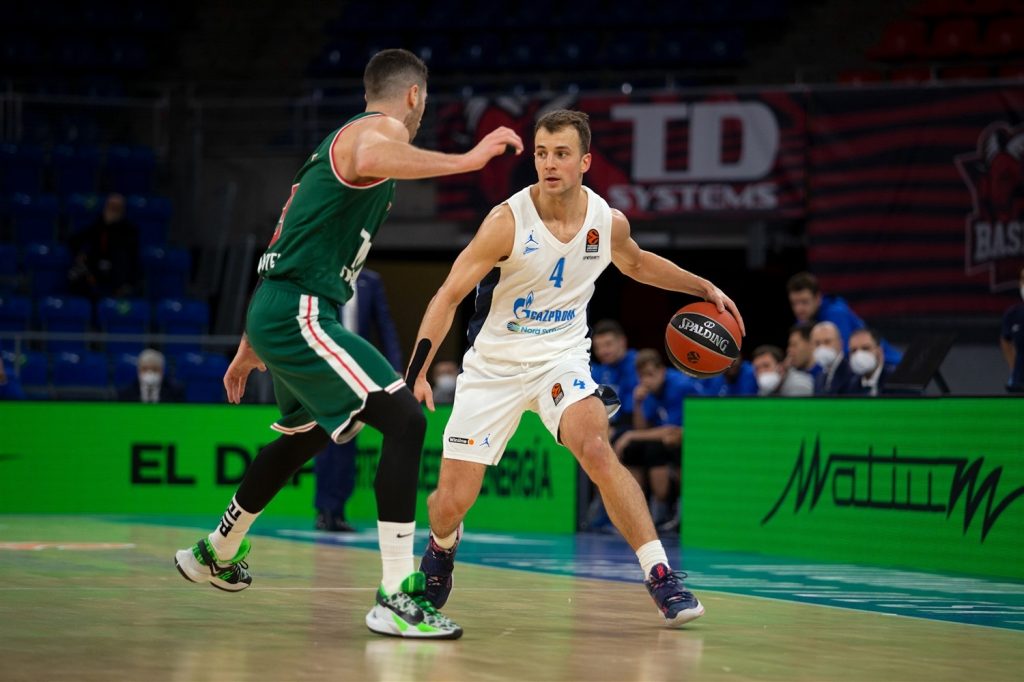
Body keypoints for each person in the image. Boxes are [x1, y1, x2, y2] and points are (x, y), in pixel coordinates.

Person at [173, 48, 524, 641]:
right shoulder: (374, 131)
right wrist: (468, 159)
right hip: (303, 310)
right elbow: (374, 152)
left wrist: (248, 342)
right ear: (413, 96)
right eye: (425, 100)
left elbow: (290, 239)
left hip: (280, 308)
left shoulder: (329, 150)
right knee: (406, 421)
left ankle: (216, 549)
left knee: (301, 439)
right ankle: (394, 595)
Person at [405, 109, 744, 627]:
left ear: (585, 160)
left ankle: (660, 575)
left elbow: (637, 262)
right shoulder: (506, 222)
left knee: (596, 448)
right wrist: (418, 371)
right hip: (493, 366)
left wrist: (703, 287)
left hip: (560, 359)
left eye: (561, 153)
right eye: (541, 153)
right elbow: (447, 294)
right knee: (451, 500)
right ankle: (443, 546)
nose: (548, 163)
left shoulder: (606, 222)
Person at [314, 268, 401, 533]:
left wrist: (395, 367)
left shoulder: (370, 281)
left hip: (357, 371)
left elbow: (384, 324)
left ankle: (338, 510)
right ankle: (324, 509)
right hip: (325, 369)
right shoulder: (323, 276)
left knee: (348, 440)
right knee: (323, 440)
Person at [615, 349, 704, 532]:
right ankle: (641, 512)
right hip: (666, 437)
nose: (646, 381)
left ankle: (671, 511)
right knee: (632, 449)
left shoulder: (679, 385)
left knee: (666, 443)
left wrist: (630, 435)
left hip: (698, 437)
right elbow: (642, 428)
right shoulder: (648, 392)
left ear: (662, 371)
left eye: (650, 375)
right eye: (642, 376)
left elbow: (672, 430)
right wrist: (638, 403)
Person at [787, 271, 901, 365]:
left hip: (889, 364)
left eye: (804, 302)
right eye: (794, 303)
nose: (799, 309)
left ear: (818, 298)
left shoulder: (836, 313)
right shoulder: (804, 318)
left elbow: (843, 354)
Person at [67, 193, 140, 299]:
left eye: (117, 207)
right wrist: (80, 254)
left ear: (123, 210)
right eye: (111, 206)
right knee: (75, 275)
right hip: (95, 269)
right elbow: (74, 240)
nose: (113, 210)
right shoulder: (98, 225)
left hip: (117, 272)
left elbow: (133, 259)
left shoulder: (129, 231)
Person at [117, 348, 185, 403]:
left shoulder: (175, 392)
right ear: (138, 371)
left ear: (162, 371)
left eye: (154, 369)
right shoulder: (126, 393)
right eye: (145, 369)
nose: (149, 373)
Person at [845, 328, 896, 396]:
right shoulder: (849, 386)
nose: (859, 355)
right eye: (854, 351)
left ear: (879, 351)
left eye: (865, 348)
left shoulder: (895, 381)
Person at [811, 321, 854, 395]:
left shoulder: (851, 373)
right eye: (817, 343)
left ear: (840, 343)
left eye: (827, 342)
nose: (822, 347)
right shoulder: (818, 378)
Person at [1001, 266, 1024, 394]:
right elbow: (1005, 341)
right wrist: (1013, 366)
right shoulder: (1013, 314)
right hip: (1019, 381)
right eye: (1023, 279)